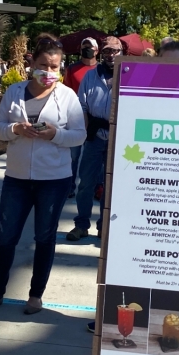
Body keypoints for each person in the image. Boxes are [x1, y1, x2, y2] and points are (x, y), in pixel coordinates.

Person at [0, 35, 85, 315]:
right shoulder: (15, 92)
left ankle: (35, 295)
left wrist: (54, 134)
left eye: (55, 67)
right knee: (5, 237)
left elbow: (79, 135)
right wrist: (15, 130)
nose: (48, 72)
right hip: (17, 178)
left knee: (45, 237)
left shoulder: (67, 96)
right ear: (31, 63)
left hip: (54, 179)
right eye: (44, 65)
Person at [68, 36, 122, 241]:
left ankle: (104, 226)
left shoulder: (128, 76)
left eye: (115, 51)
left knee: (110, 184)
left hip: (117, 137)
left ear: (121, 52)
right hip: (94, 136)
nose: (111, 55)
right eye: (107, 51)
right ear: (102, 53)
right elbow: (80, 105)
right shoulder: (91, 76)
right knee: (85, 183)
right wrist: (86, 129)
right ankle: (81, 224)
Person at [63, 39, 98, 197]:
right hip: (75, 116)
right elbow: (65, 91)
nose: (86, 50)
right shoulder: (72, 69)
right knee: (73, 155)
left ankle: (97, 188)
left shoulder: (101, 70)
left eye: (89, 47)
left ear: (96, 50)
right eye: (84, 47)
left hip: (96, 118)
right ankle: (69, 187)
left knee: (95, 155)